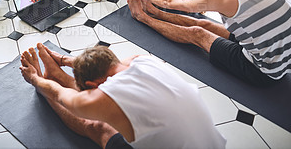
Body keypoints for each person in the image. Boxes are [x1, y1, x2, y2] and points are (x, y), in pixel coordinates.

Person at [20, 43, 226, 148]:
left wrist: (36, 80)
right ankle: (56, 75)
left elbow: (63, 97)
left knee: (98, 127)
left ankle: (47, 81)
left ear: (93, 86)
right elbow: (112, 65)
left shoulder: (105, 97)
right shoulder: (144, 60)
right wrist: (64, 60)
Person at [127, 0, 291, 86]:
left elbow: (170, 1)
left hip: (263, 71)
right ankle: (157, 14)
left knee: (197, 32)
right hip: (279, 56)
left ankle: (142, 17)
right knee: (204, 23)